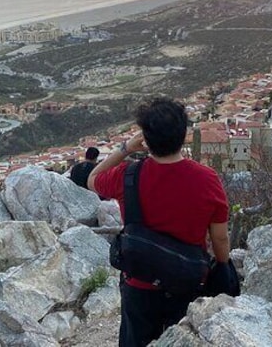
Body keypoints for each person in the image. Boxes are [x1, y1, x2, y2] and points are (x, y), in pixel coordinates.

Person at [88, 98, 230, 347]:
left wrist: (126, 148)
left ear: (146, 139)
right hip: (188, 281)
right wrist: (223, 266)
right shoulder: (207, 179)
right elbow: (219, 237)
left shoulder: (128, 175)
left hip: (139, 282)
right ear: (184, 135)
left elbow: (92, 178)